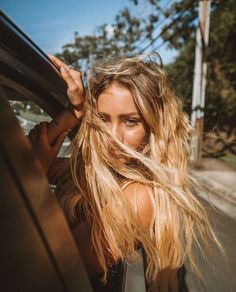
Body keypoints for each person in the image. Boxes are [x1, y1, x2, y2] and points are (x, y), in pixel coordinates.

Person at [29, 53, 221, 292]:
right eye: (103, 119)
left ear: (153, 127)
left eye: (130, 121)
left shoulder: (140, 197)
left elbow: (57, 269)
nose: (113, 137)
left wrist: (33, 177)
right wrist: (75, 111)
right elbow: (23, 161)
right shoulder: (90, 170)